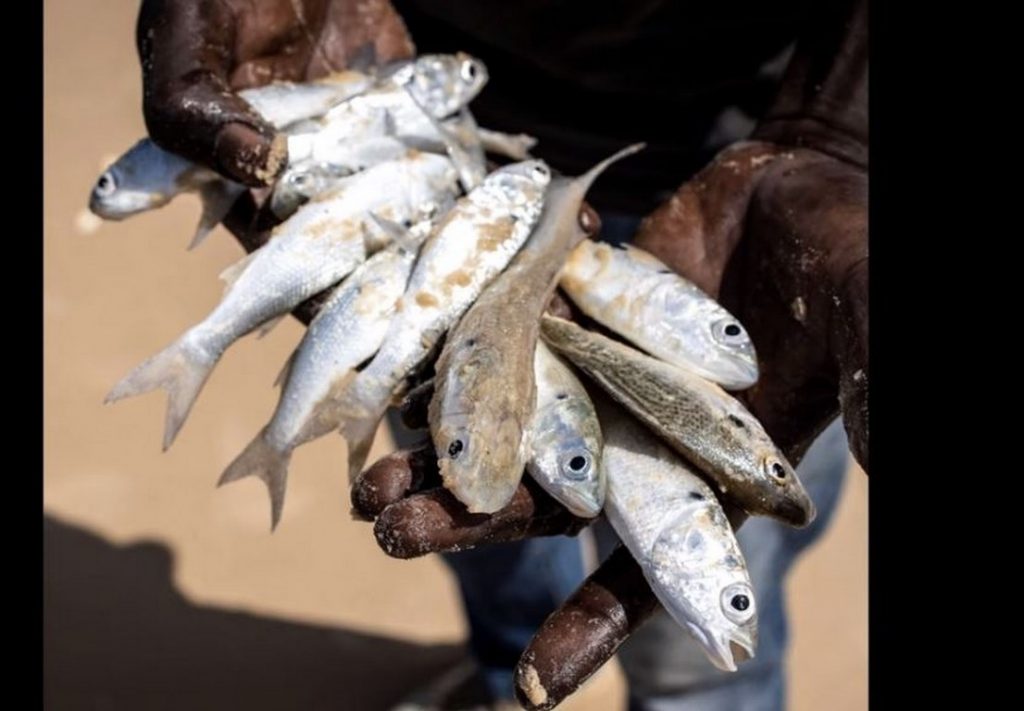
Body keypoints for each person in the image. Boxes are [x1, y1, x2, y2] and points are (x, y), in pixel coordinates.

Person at [135, 1, 867, 709]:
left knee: (695, 649)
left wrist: (847, 126)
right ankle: (503, 681)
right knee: (478, 523)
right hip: (441, 133)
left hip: (754, 167)